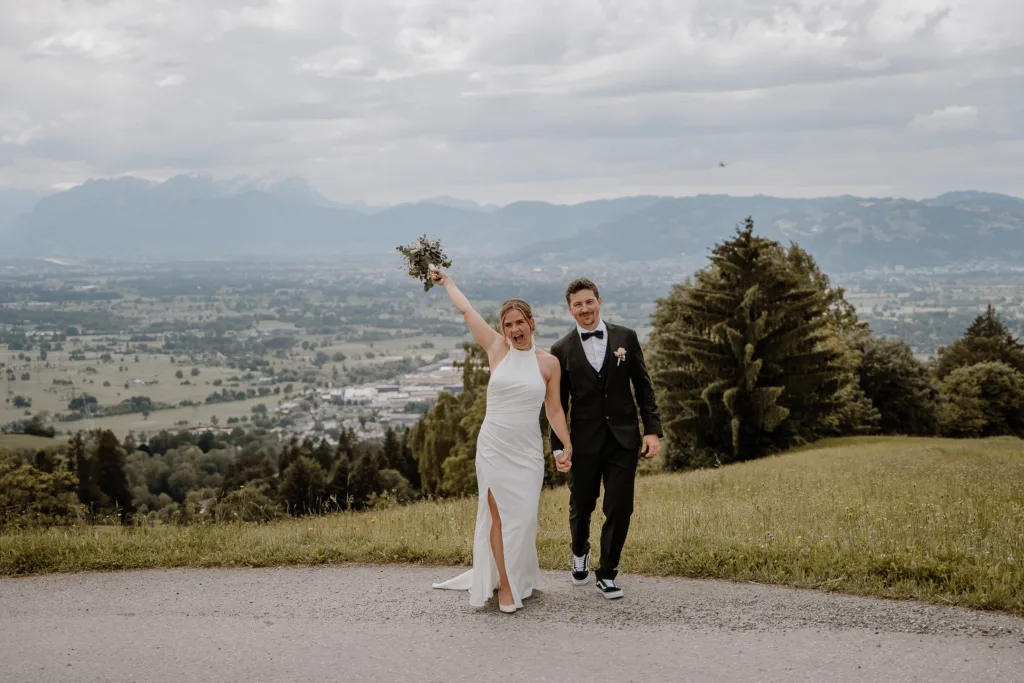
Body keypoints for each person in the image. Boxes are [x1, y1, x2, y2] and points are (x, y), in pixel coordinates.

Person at [429, 267, 572, 614]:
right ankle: (506, 585)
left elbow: (553, 410)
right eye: (508, 324)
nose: (514, 329)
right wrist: (448, 282)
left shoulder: (549, 364)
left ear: (531, 323)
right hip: (493, 446)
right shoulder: (496, 348)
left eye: (519, 322)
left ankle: (517, 575)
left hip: (527, 451)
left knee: (525, 520)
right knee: (498, 518)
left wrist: (566, 445)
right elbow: (467, 311)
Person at [550, 278, 662, 599]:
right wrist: (558, 448)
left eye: (589, 302)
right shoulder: (561, 349)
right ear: (570, 309)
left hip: (623, 440)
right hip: (583, 444)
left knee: (620, 507)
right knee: (581, 505)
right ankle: (580, 551)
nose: (585, 309)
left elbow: (643, 386)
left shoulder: (626, 337)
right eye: (578, 304)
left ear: (599, 301)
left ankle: (608, 572)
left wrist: (652, 429)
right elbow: (557, 405)